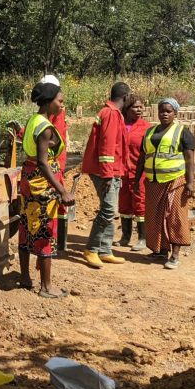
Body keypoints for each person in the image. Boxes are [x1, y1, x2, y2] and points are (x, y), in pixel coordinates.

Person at [18, 82, 75, 298]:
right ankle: (46, 287)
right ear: (49, 101)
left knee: (26, 225)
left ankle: (25, 277)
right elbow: (43, 162)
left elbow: (35, 152)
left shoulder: (34, 120)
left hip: (28, 181)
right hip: (42, 183)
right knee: (44, 230)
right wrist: (62, 190)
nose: (62, 105)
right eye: (60, 101)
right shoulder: (46, 127)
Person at [134, 98, 195, 270]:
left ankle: (175, 255)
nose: (164, 114)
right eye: (162, 111)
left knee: (175, 217)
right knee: (154, 218)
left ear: (175, 113)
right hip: (154, 182)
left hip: (175, 181)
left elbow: (190, 160)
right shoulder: (150, 132)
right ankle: (160, 251)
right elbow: (142, 158)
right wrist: (136, 179)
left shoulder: (182, 132)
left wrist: (191, 182)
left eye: (168, 111)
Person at [80, 81, 129, 269]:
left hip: (111, 170)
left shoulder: (112, 113)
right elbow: (107, 146)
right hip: (104, 171)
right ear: (125, 97)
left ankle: (105, 250)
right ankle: (92, 249)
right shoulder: (110, 114)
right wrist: (108, 175)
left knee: (110, 210)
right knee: (108, 210)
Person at [39, 73, 72, 252]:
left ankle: (58, 244)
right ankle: (58, 243)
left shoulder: (56, 112)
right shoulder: (52, 111)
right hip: (54, 161)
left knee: (57, 201)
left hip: (54, 163)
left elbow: (54, 138)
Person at [117, 94, 151, 251]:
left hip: (140, 173)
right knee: (124, 204)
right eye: (135, 107)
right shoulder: (119, 125)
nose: (139, 109)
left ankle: (142, 238)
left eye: (140, 107)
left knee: (140, 204)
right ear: (127, 109)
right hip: (122, 172)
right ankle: (125, 237)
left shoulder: (146, 127)